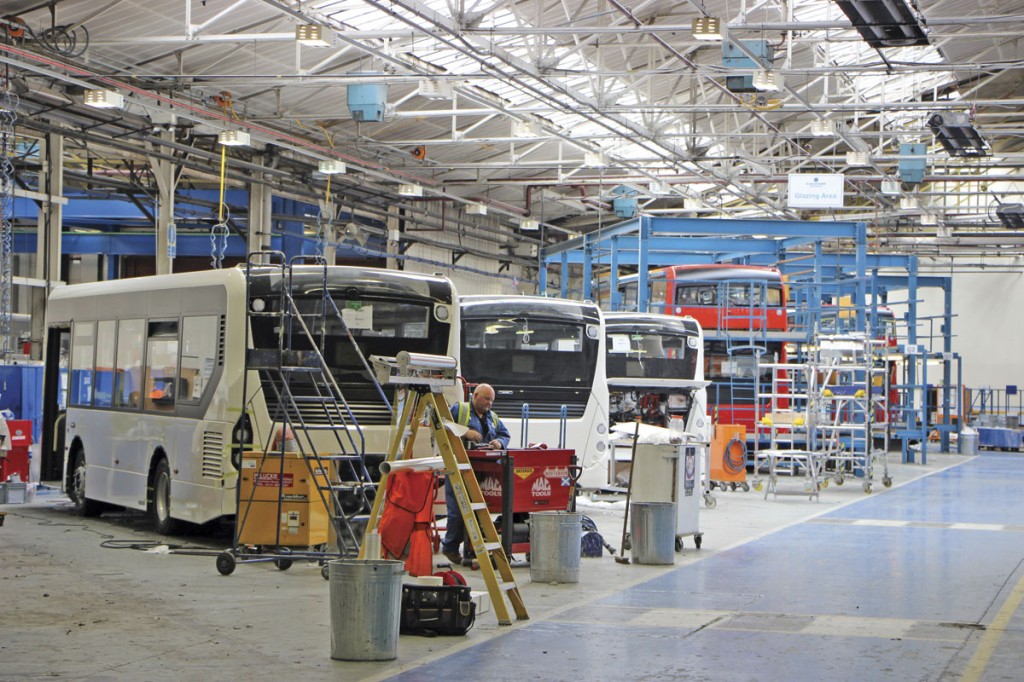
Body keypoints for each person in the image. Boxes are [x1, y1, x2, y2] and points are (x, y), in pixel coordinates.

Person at [441, 383, 510, 566]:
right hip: (458, 467)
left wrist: (499, 443)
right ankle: (450, 547)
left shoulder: (492, 417)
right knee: (457, 510)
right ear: (476, 395)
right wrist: (465, 432)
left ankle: (472, 549)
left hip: (483, 470)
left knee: (478, 511)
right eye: (487, 399)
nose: (489, 404)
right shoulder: (460, 409)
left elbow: (505, 434)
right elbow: (443, 425)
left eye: (492, 401)